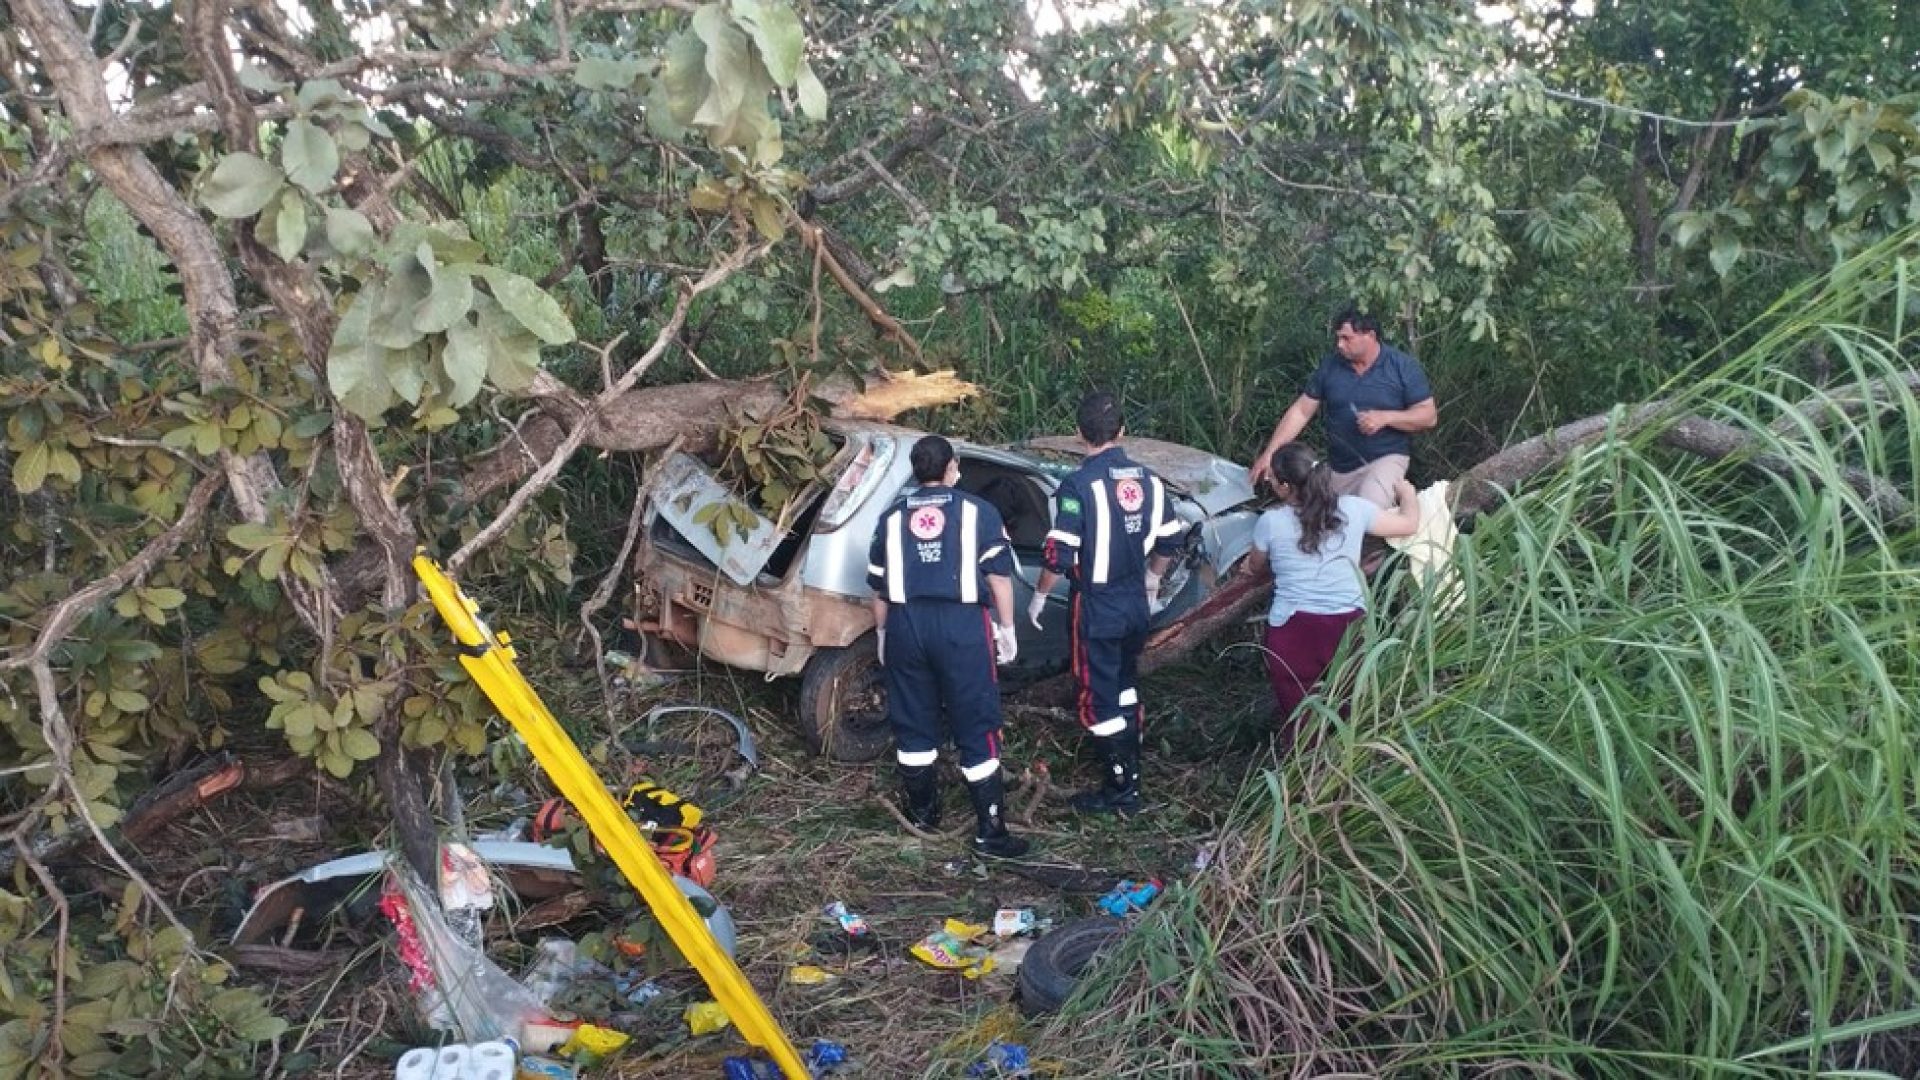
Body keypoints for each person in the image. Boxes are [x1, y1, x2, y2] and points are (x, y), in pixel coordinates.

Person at [867, 436, 1028, 858]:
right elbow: (998, 578)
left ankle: (923, 815)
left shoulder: (891, 518)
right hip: (961, 627)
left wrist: (883, 635)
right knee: (976, 721)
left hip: (905, 624)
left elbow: (880, 590)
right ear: (952, 467)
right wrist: (1006, 627)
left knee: (913, 721)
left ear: (916, 471)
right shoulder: (979, 512)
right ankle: (990, 832)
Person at [1029, 392, 1186, 815]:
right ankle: (1130, 770)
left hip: (1097, 605)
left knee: (1098, 695)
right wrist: (1152, 580)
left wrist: (1040, 596)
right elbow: (1171, 538)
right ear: (1122, 432)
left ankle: (1120, 789)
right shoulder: (1150, 482)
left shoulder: (1078, 485)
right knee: (1126, 682)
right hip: (1135, 602)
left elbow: (1059, 555)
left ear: (1080, 435)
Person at [1250, 444, 1421, 754]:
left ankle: (1301, 789)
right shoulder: (1355, 510)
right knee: (1348, 714)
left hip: (1293, 631)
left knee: (1300, 722)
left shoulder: (1270, 522)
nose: (1270, 484)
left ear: (1286, 486)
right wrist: (1408, 494)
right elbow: (1408, 524)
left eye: (1273, 479)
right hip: (1348, 628)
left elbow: (1254, 567)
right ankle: (1344, 786)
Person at [1250, 308, 1437, 508]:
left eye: (1347, 338)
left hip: (1386, 458)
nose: (1340, 345)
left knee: (1367, 509)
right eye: (1338, 338)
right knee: (1310, 514)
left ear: (1370, 336)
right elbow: (1301, 411)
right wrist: (1270, 453)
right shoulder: (1331, 366)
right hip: (1339, 467)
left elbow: (1429, 416)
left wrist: (1386, 418)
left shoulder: (1401, 366)